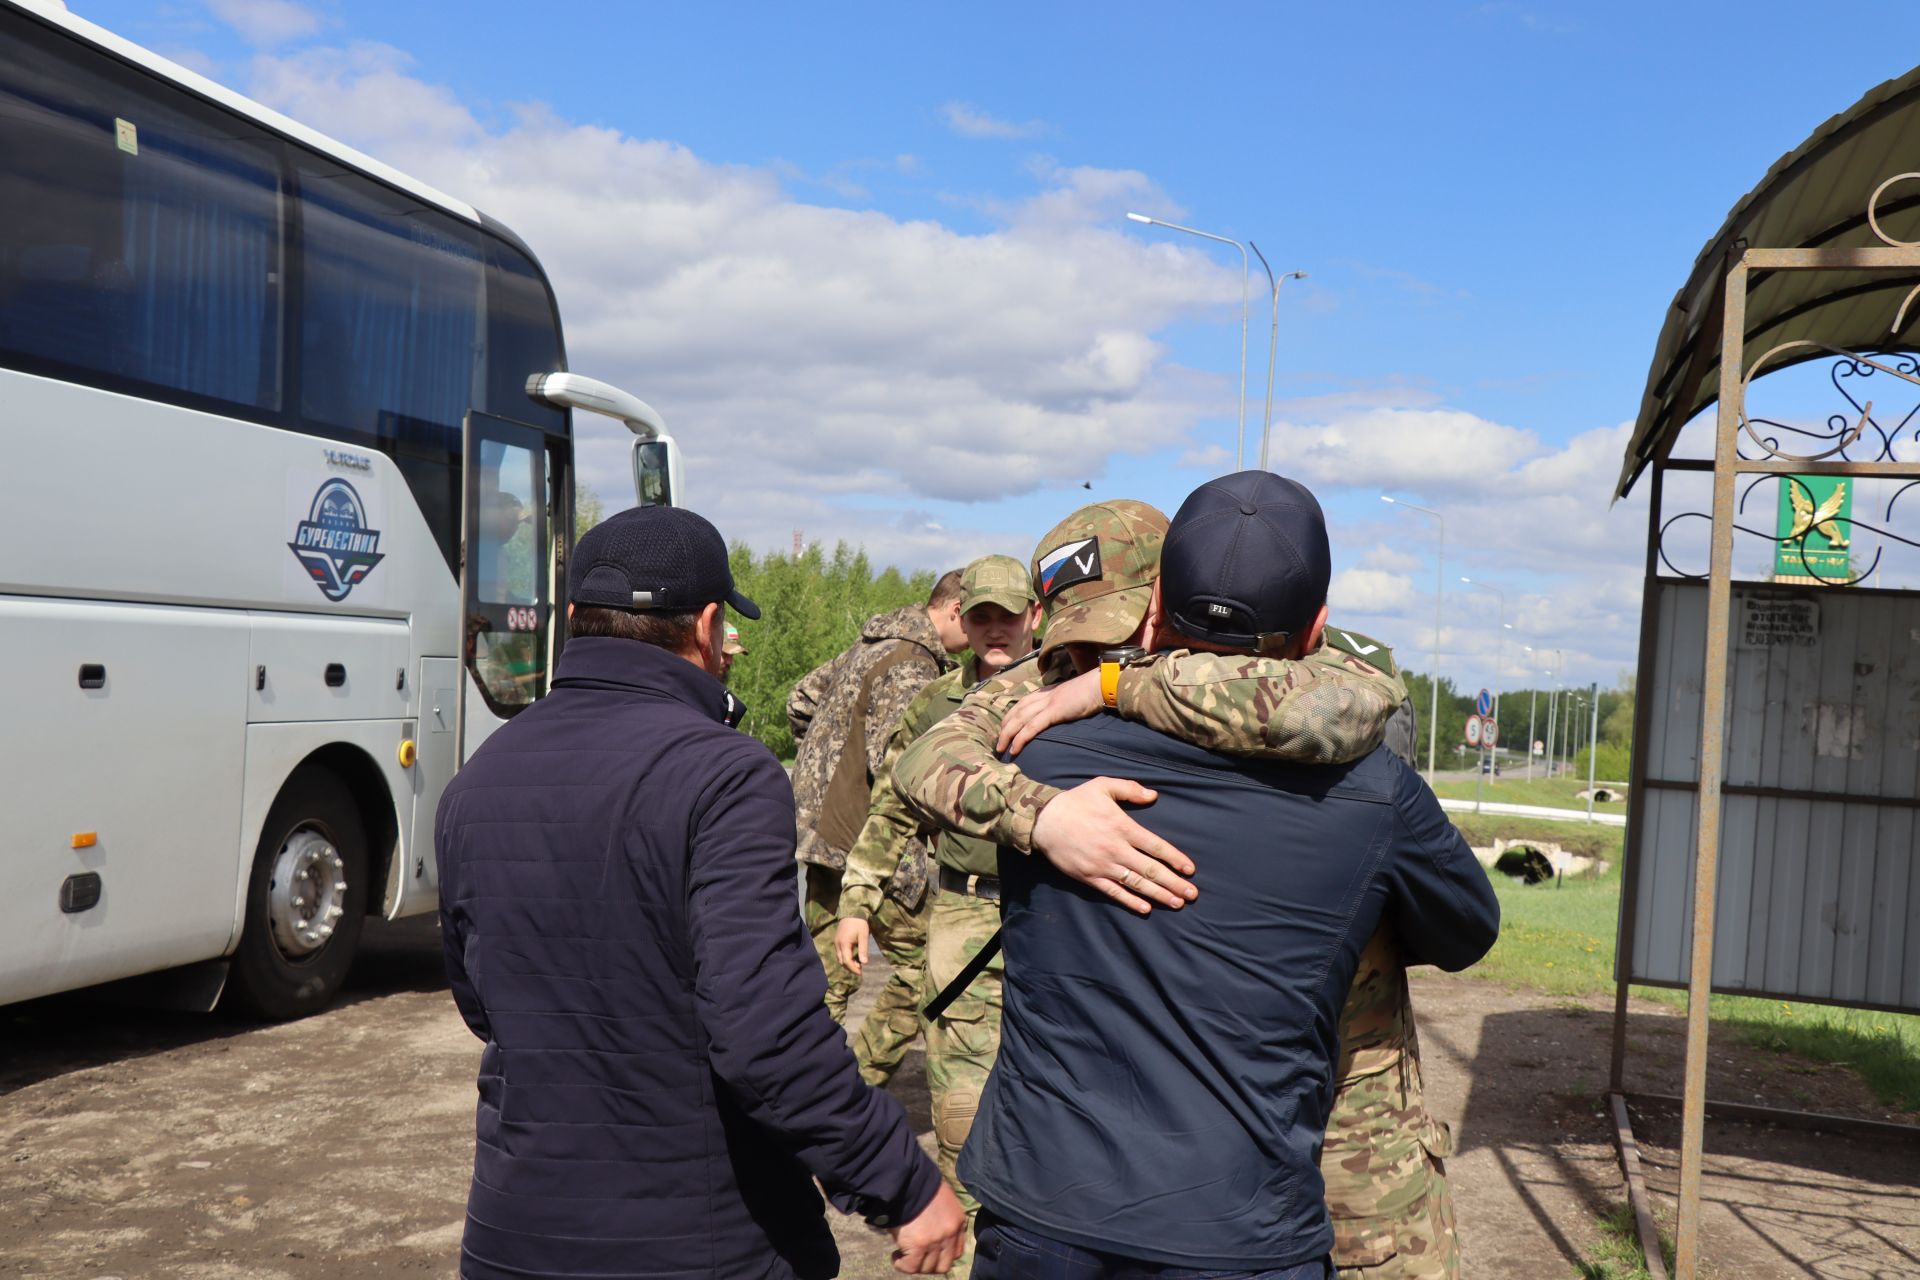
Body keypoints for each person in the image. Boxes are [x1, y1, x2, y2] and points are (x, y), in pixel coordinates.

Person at [896, 502, 1462, 1280]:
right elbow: (929, 754)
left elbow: (1340, 702)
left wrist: (1114, 688)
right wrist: (1045, 812)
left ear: (1163, 607)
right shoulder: (1057, 705)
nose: (1097, 654)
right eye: (1078, 642)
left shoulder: (1308, 688)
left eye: (1118, 632)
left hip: (1307, 1138)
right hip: (1217, 1193)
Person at [435, 506, 967, 1279]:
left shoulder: (477, 778)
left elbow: (483, 1003)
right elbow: (763, 1029)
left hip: (512, 1237)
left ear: (578, 620)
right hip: (697, 1240)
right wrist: (902, 1181)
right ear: (708, 626)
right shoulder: (724, 773)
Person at [833, 554, 1038, 1123]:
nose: (995, 629)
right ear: (962, 620)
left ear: (1035, 617)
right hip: (964, 911)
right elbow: (892, 808)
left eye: (1009, 615)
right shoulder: (935, 702)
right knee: (960, 1107)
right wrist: (856, 903)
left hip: (1051, 910)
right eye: (981, 616)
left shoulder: (1072, 696)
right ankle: (971, 1213)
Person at [789, 569, 970, 1020]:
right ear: (956, 611)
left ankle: (813, 1084)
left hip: (820, 831)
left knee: (828, 979)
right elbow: (897, 764)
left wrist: (824, 768)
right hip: (861, 838)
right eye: (980, 616)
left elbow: (801, 700)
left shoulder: (873, 643)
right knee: (929, 970)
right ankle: (868, 1071)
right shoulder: (914, 662)